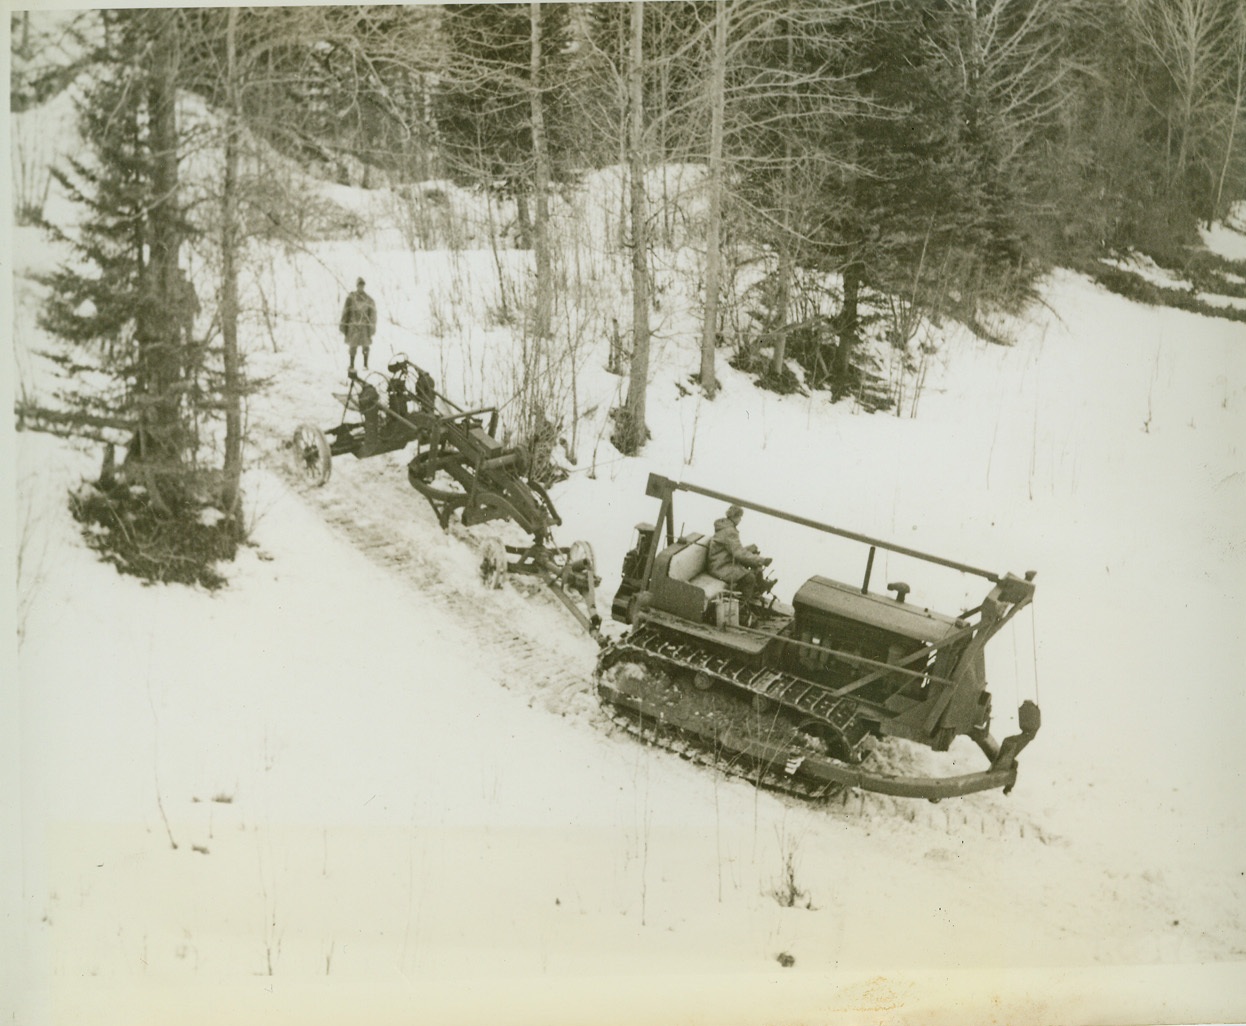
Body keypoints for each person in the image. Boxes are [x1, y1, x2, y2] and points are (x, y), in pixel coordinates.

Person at [707, 504, 772, 608]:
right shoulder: (729, 531)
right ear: (735, 517)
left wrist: (752, 553)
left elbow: (734, 549)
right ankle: (742, 606)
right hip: (720, 566)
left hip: (721, 560)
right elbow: (738, 553)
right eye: (740, 517)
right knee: (749, 578)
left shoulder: (726, 527)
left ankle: (760, 583)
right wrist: (761, 560)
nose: (740, 520)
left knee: (753, 550)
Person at [340, 277, 377, 373]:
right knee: (353, 346)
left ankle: (365, 364)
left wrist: (371, 326)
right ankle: (351, 364)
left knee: (366, 346)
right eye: (359, 285)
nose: (361, 287)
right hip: (354, 326)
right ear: (357, 286)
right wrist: (344, 325)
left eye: (362, 285)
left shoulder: (368, 299)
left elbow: (372, 314)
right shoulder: (351, 298)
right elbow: (346, 311)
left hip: (364, 327)